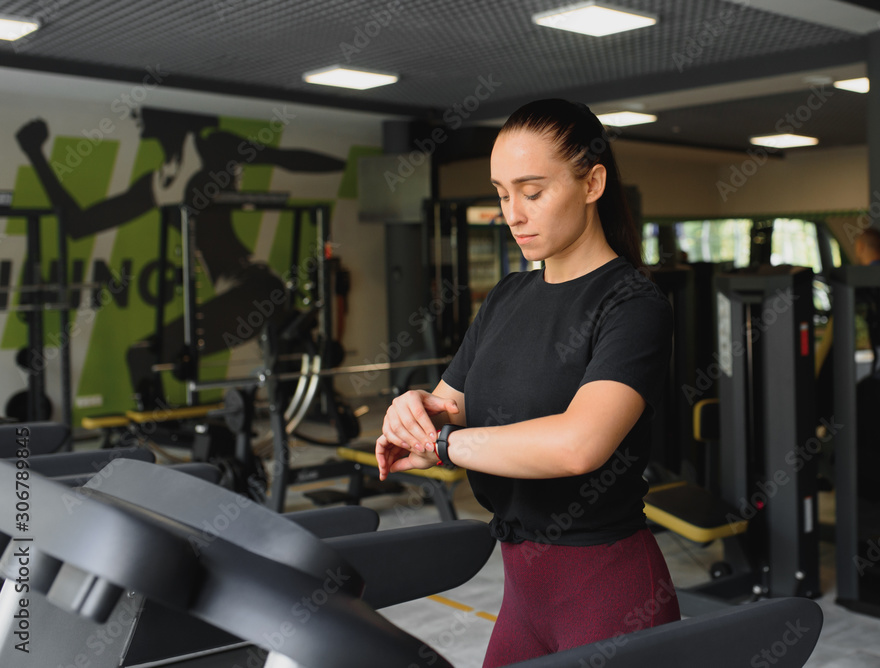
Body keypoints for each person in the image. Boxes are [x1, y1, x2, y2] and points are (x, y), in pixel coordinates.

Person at [375, 99, 679, 666]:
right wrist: (414, 410)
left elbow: (577, 445)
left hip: (608, 591)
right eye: (501, 194)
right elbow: (453, 405)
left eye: (532, 191)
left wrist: (441, 446)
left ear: (592, 182)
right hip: (523, 592)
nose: (512, 213)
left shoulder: (631, 305)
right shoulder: (507, 297)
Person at [16, 109, 346, 408]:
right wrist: (36, 155)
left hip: (255, 288)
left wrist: (352, 167)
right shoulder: (159, 182)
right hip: (235, 292)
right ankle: (165, 426)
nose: (135, 113)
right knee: (144, 354)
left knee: (147, 355)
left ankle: (169, 429)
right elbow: (78, 225)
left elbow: (286, 158)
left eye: (143, 110)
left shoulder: (212, 147)